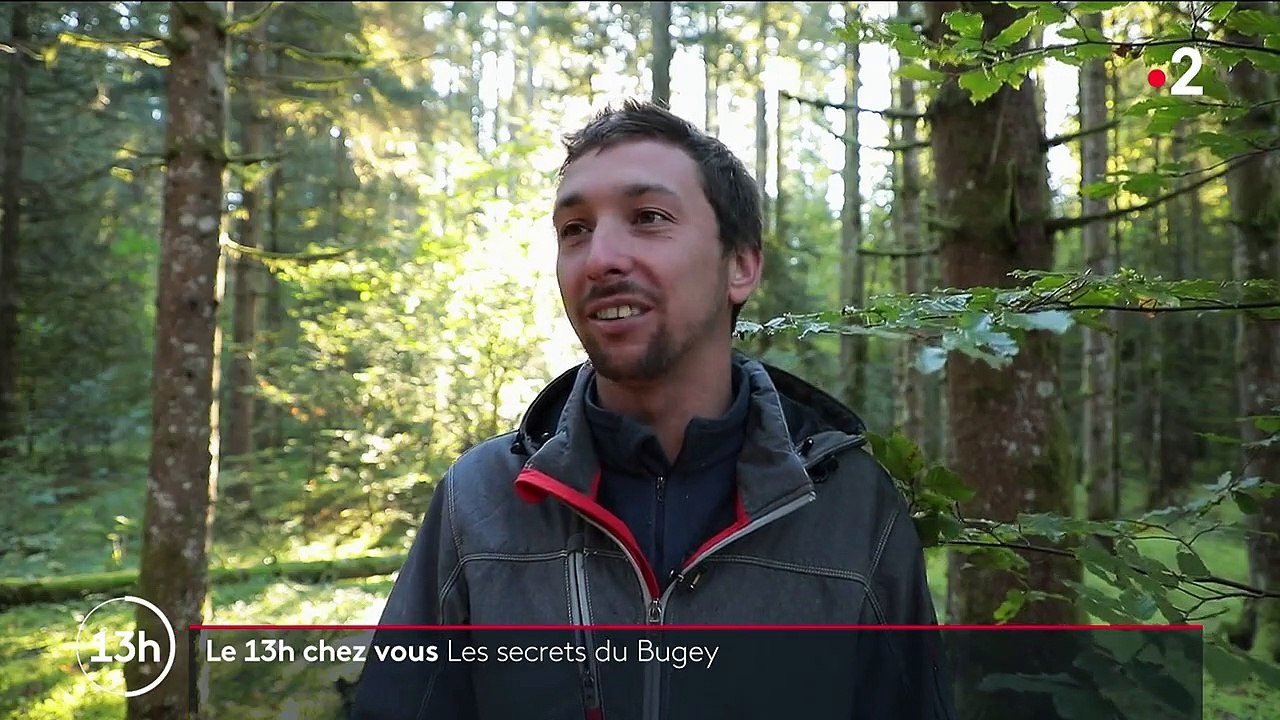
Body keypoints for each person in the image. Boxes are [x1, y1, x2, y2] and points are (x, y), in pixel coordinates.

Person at [351, 100, 954, 720]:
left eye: (649, 217)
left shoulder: (851, 506)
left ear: (740, 265)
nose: (600, 258)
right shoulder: (478, 501)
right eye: (574, 229)